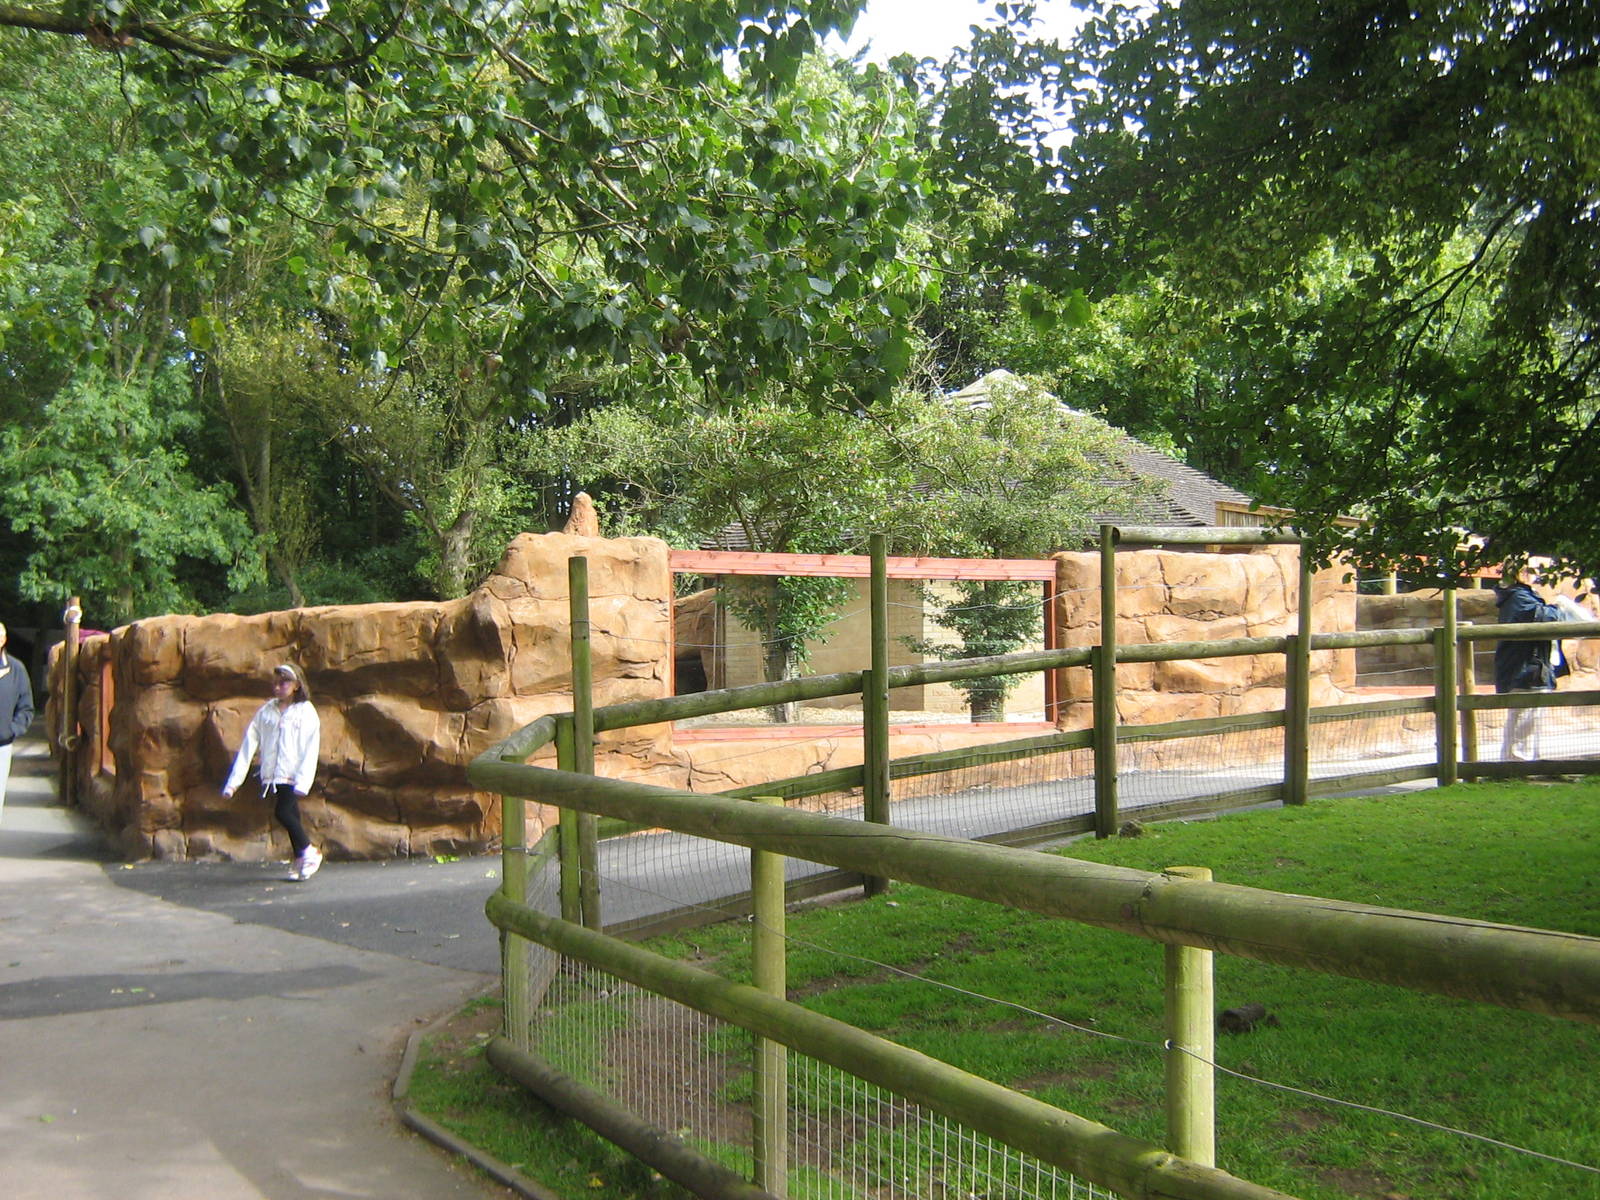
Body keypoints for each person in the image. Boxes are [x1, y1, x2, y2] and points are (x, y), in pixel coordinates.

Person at [222, 662, 323, 880]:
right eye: (275, 683)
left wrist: (304, 781)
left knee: (283, 812)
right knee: (291, 814)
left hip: (291, 773)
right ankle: (301, 859)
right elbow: (250, 744)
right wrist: (234, 782)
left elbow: (310, 748)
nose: (278, 687)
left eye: (284, 682)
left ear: (296, 685)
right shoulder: (266, 712)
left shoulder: (306, 712)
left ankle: (308, 851)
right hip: (273, 774)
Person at [1493, 562, 1592, 764]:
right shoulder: (1519, 598)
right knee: (1523, 718)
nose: (1535, 576)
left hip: (1532, 666)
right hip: (1525, 669)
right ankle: (1516, 765)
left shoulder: (1521, 597)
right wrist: (1561, 608)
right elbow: (1545, 617)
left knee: (1529, 719)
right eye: (1529, 571)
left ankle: (1523, 763)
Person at [0, 622, 35, 825]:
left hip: (2, 745)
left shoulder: (16, 669)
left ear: (3, 640)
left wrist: (11, 730)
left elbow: (26, 708)